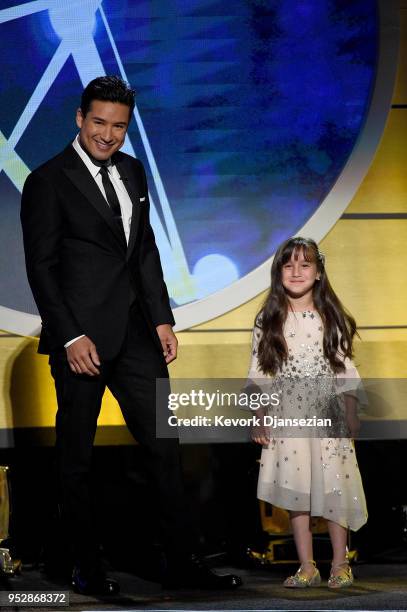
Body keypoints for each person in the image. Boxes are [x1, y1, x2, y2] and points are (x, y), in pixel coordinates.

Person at [20, 76, 241, 595]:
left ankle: (182, 561)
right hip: (82, 343)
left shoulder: (134, 171)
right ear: (79, 118)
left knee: (166, 445)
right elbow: (42, 268)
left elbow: (144, 252)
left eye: (118, 126)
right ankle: (83, 567)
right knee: (77, 456)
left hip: (139, 336)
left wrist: (162, 318)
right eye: (99, 122)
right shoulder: (48, 181)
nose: (108, 134)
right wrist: (71, 336)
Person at [247, 236, 367, 589]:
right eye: (288, 265)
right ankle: (306, 565)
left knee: (334, 487)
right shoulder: (268, 319)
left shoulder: (331, 316)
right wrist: (259, 415)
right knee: (295, 490)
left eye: (305, 264)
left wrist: (351, 413)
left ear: (318, 272)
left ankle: (340, 563)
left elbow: (345, 370)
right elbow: (260, 372)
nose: (296, 271)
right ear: (278, 272)